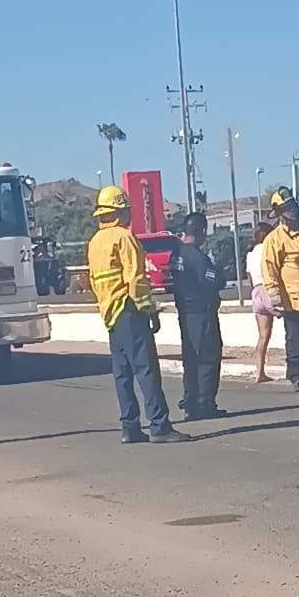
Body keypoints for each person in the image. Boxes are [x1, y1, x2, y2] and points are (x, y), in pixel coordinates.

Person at [86, 186, 190, 444]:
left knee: (122, 373)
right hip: (129, 309)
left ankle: (130, 426)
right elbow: (136, 279)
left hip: (110, 312)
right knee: (146, 369)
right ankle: (159, 425)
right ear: (120, 211)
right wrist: (149, 309)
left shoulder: (95, 242)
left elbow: (94, 280)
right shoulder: (124, 237)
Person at [169, 212, 228, 420]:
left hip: (185, 313)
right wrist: (219, 270)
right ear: (202, 231)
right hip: (201, 314)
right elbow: (214, 281)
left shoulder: (176, 254)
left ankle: (191, 400)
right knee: (207, 358)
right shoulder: (198, 257)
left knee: (191, 358)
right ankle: (204, 404)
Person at [261, 187, 299, 392]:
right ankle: (297, 376)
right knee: (294, 342)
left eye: (293, 206)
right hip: (292, 301)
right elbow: (269, 268)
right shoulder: (274, 239)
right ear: (279, 213)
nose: (292, 211)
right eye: (287, 208)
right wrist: (274, 294)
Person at [246, 222, 276, 383]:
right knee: (295, 322)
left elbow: (250, 278)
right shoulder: (269, 248)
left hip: (256, 292)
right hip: (270, 288)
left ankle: (260, 371)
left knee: (263, 335)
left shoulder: (250, 254)